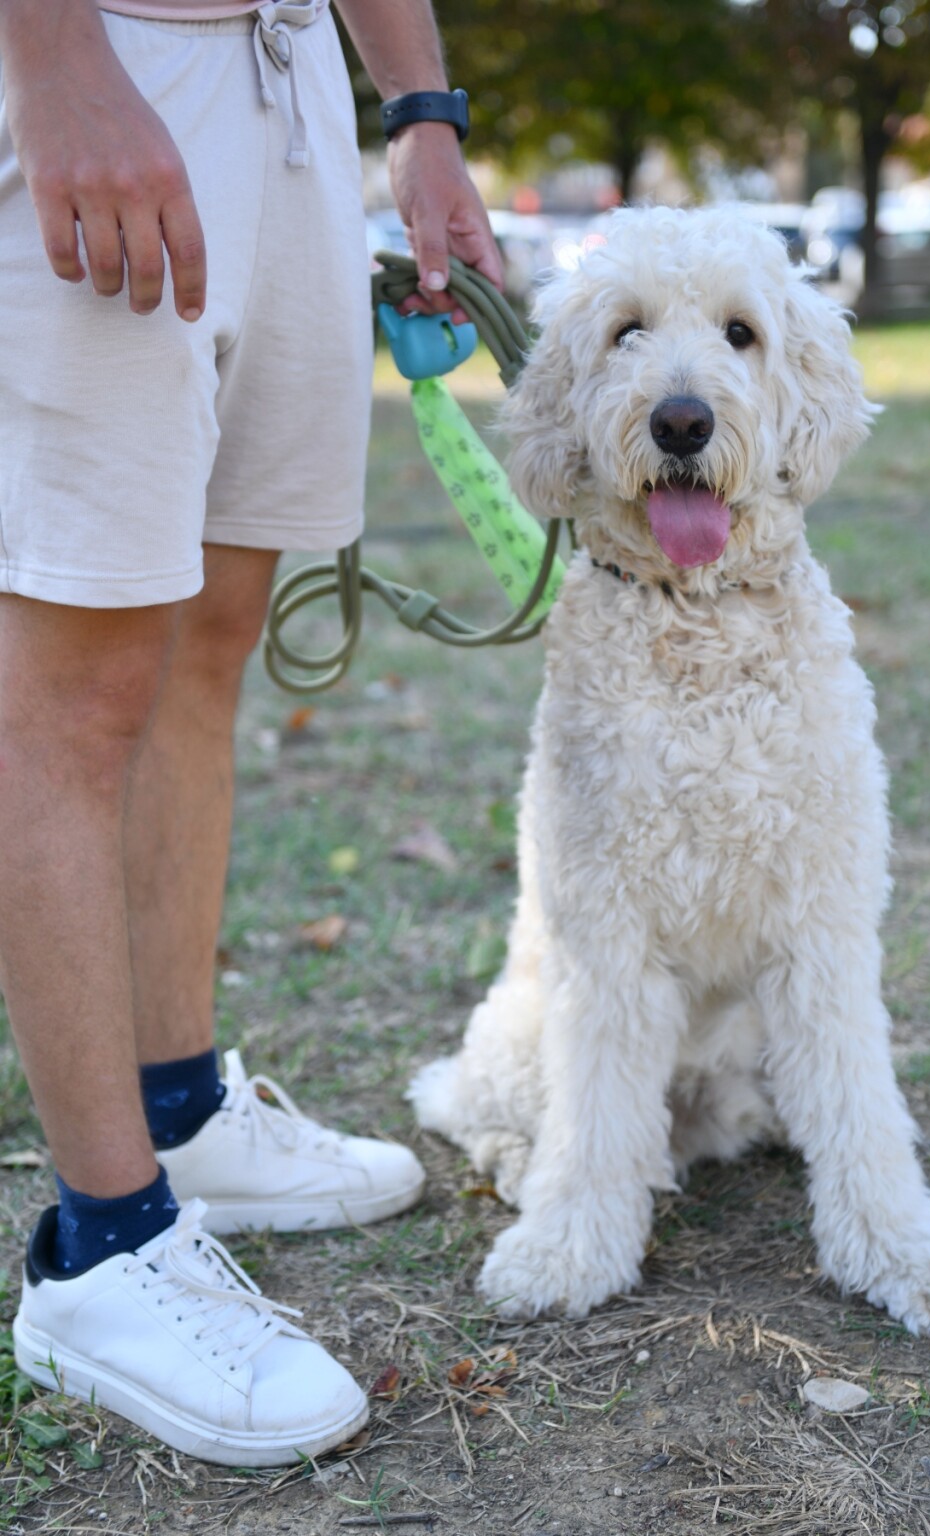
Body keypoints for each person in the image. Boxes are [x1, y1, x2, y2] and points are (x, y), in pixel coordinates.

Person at [0, 0, 503, 1468]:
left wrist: (420, 111)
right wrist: (59, 62)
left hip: (291, 89)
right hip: (111, 46)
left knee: (212, 637)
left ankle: (180, 1105)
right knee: (74, 689)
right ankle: (103, 1251)